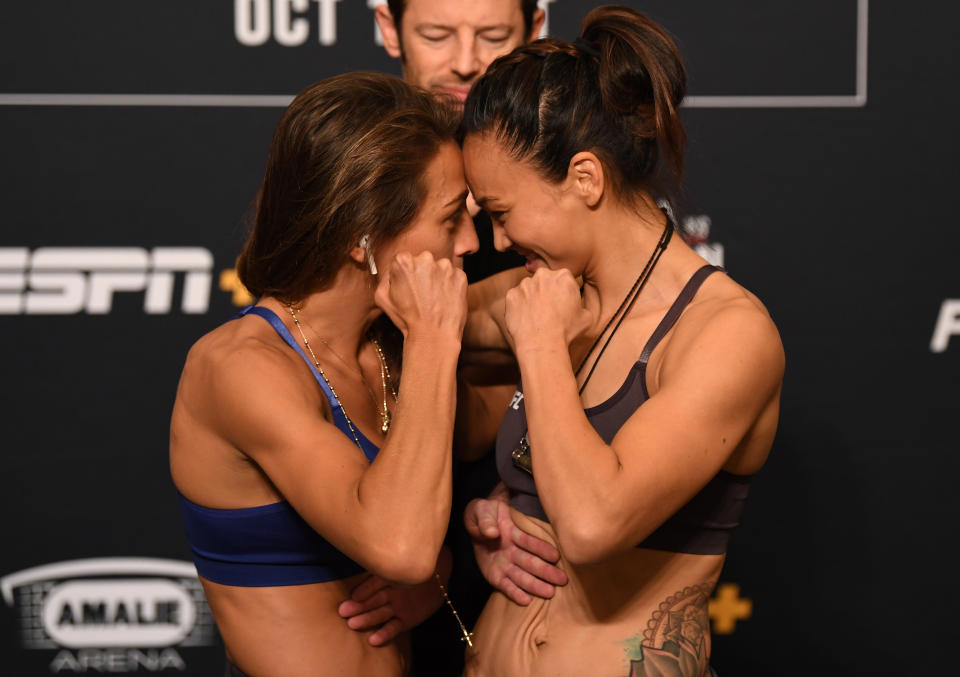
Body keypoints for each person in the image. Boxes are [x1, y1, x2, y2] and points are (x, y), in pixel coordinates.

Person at [458, 5, 785, 676]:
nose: (495, 242)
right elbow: (392, 326)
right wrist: (469, 522)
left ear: (584, 178)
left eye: (500, 213)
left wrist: (543, 347)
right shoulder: (542, 289)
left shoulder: (725, 332)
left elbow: (591, 524)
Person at [170, 71, 480, 677]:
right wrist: (438, 338)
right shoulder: (242, 368)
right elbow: (402, 547)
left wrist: (459, 560)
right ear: (361, 235)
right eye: (449, 221)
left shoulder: (383, 351)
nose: (470, 242)